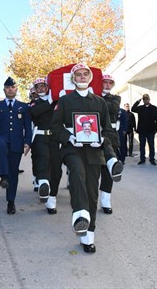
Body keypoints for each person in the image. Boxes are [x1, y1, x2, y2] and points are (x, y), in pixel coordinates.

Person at [51, 63, 117, 253]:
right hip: (72, 149)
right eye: (78, 74)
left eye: (84, 74)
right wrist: (69, 137)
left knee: (91, 191)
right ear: (73, 79)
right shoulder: (64, 101)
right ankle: (80, 215)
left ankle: (88, 236)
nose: (81, 77)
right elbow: (55, 127)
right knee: (77, 175)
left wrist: (102, 139)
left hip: (94, 151)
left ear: (89, 78)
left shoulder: (99, 102)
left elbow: (107, 129)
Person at [0, 77, 32, 215]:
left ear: (16, 89)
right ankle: (3, 175)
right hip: (1, 138)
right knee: (0, 143)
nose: (10, 89)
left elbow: (27, 127)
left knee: (14, 173)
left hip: (17, 143)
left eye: (12, 87)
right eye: (7, 87)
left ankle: (10, 201)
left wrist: (28, 142)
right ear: (4, 90)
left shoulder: (24, 107)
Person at [28, 78, 62, 213]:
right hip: (40, 136)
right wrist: (49, 102)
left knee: (56, 169)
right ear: (35, 90)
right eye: (38, 87)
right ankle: (43, 184)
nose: (41, 89)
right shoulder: (34, 103)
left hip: (55, 137)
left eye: (43, 86)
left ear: (48, 88)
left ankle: (52, 197)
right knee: (42, 160)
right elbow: (34, 113)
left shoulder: (57, 101)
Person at [98, 73, 123, 215]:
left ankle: (105, 201)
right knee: (93, 169)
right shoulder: (92, 95)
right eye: (105, 82)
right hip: (92, 135)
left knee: (108, 171)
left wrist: (96, 98)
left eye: (110, 83)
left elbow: (111, 109)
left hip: (110, 136)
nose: (107, 85)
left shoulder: (115, 98)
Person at [132, 94, 157, 165]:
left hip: (150, 130)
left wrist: (156, 129)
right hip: (142, 131)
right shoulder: (140, 108)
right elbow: (133, 109)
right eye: (144, 99)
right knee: (142, 146)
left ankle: (152, 159)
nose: (145, 100)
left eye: (147, 99)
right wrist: (138, 101)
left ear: (149, 100)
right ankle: (142, 159)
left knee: (151, 145)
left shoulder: (154, 108)